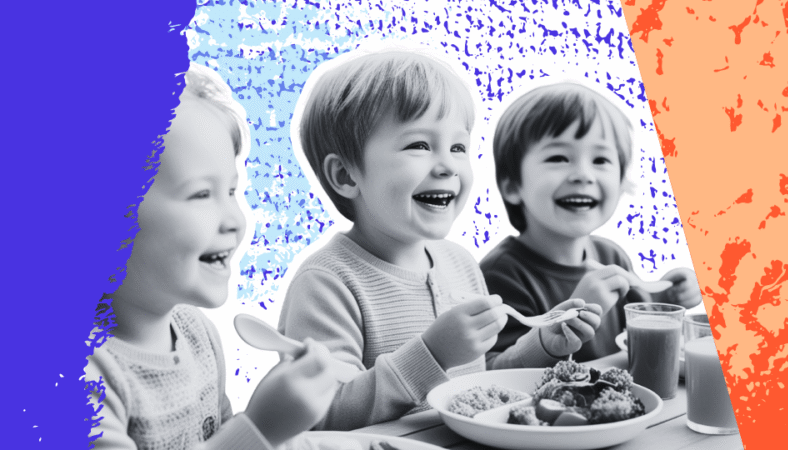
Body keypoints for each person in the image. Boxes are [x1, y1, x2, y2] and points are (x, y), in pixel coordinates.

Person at [278, 50, 602, 431]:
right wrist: (431, 354)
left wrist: (542, 345)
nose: (448, 165)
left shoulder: (460, 264)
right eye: (419, 145)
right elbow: (321, 413)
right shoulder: (327, 283)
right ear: (346, 175)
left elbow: (480, 383)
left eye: (458, 147)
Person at [84, 63, 339, 450]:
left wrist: (276, 424)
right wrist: (260, 429)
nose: (236, 220)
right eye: (202, 194)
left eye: (233, 191)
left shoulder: (195, 333)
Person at [481, 82, 703, 363]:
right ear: (512, 185)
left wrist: (670, 300)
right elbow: (493, 373)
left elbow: (642, 338)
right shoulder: (500, 275)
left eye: (600, 159)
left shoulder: (613, 258)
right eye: (559, 157)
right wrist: (571, 316)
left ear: (622, 183)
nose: (583, 175)